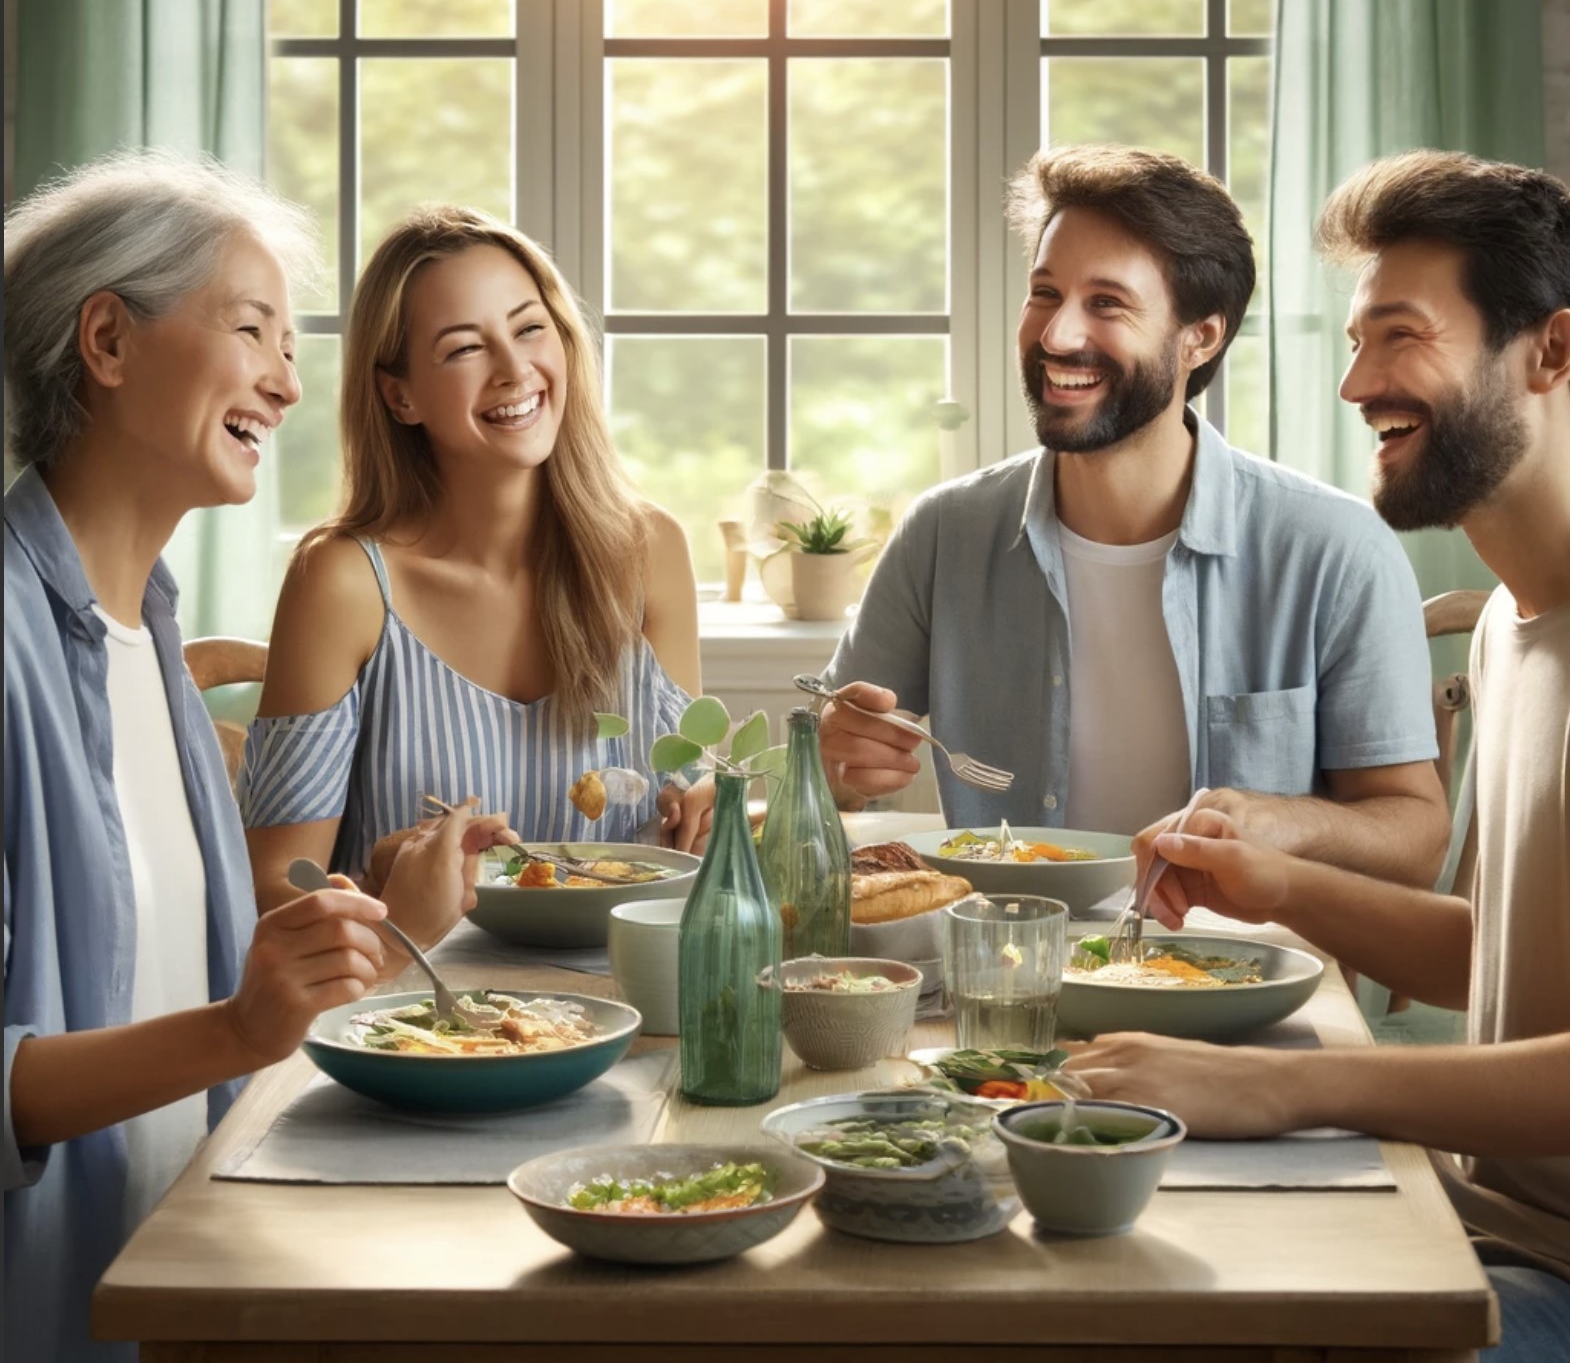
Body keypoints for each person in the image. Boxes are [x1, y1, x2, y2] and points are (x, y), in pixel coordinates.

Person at [1066, 151, 1570, 1359]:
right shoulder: (1510, 623)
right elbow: (1496, 963)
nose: (1356, 383)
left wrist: (1289, 1085)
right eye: (1353, 341)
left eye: (1398, 336)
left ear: (1549, 350)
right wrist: (1284, 888)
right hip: (1467, 1220)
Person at [2, 152, 503, 1363]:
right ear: (109, 340)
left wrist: (390, 933)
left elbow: (175, 984)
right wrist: (240, 1027)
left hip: (187, 1289)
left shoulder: (156, 637)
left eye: (291, 342)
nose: (286, 382)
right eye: (251, 329)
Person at [819, 144, 1449, 883]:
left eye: (1107, 302)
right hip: (1007, 972)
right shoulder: (944, 534)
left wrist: (1282, 818)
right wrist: (834, 760)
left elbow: (1416, 833)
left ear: (1200, 336)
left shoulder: (1335, 550)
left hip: (1242, 978)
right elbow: (831, 760)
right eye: (1045, 293)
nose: (1057, 336)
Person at [242, 205, 713, 915]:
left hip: (628, 995)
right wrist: (380, 878)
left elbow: (684, 807)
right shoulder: (343, 580)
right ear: (399, 395)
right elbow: (277, 885)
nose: (514, 368)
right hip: (415, 1007)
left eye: (529, 328)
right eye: (465, 348)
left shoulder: (651, 552)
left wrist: (705, 807)